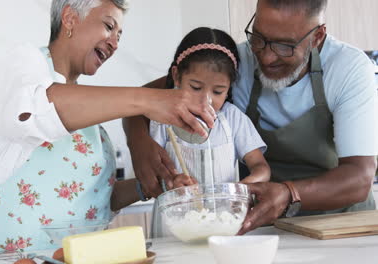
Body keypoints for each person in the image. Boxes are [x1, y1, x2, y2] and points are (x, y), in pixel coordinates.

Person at [0, 0, 213, 258]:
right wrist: (147, 100)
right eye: (109, 26)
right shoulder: (25, 63)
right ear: (70, 18)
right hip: (0, 258)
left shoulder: (93, 124)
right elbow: (32, 112)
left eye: (120, 35)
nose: (115, 43)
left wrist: (151, 186)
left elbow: (95, 202)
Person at [124, 0, 377, 236]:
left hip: (340, 228)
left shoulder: (349, 69)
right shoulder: (237, 62)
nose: (265, 57)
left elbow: (359, 177)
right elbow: (141, 100)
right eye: (259, 38)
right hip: (270, 224)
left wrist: (289, 193)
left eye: (284, 46)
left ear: (316, 37)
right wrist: (139, 144)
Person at [144, 27, 270, 237]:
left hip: (224, 229)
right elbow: (153, 173)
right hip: (173, 232)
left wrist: (240, 189)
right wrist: (172, 181)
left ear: (230, 87)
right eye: (195, 87)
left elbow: (262, 168)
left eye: (218, 91)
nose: (206, 100)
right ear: (177, 76)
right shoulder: (162, 120)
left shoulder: (233, 119)